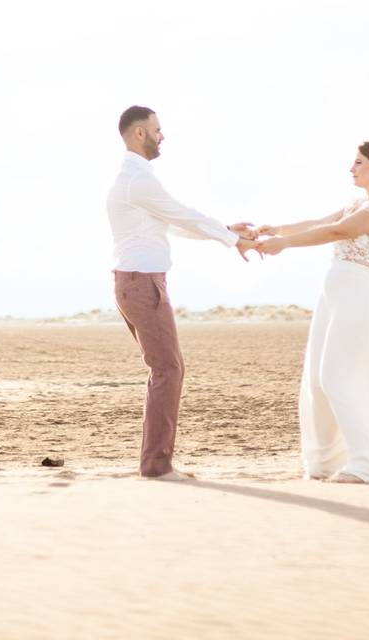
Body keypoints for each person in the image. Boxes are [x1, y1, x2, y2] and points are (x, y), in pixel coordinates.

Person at [107, 105, 257, 480]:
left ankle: (156, 462)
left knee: (165, 369)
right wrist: (232, 239)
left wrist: (224, 230)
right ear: (139, 133)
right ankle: (157, 466)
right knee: (168, 369)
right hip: (143, 284)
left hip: (135, 282)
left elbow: (173, 222)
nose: (162, 136)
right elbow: (182, 214)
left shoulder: (134, 180)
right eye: (157, 130)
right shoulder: (137, 180)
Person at [256, 140, 369, 483]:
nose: (351, 168)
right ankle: (324, 462)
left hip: (357, 292)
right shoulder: (357, 202)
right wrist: (276, 230)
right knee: (315, 379)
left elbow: (338, 231)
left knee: (335, 374)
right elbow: (320, 222)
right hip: (334, 291)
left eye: (358, 162)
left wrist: (284, 245)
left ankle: (368, 463)